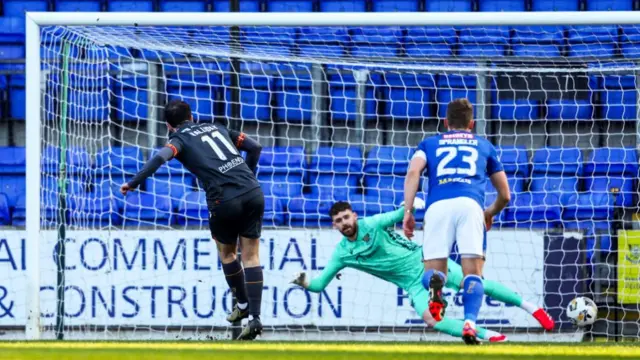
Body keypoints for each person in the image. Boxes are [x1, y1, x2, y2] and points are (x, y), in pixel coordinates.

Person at [291, 202, 554, 343]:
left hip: (427, 263)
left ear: (355, 216)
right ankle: (488, 335)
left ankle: (533, 308)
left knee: (472, 282)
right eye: (338, 221)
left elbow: (398, 213)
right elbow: (319, 285)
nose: (344, 223)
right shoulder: (341, 254)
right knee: (431, 320)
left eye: (346, 217)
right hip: (411, 283)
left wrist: (412, 205)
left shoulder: (372, 223)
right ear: (334, 226)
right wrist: (304, 282)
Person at [121, 100, 265, 340]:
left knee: (228, 253)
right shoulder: (216, 127)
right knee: (251, 256)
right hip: (253, 192)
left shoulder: (179, 139)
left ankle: (242, 304)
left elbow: (159, 158)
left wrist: (133, 182)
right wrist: (248, 176)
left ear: (168, 125)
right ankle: (255, 318)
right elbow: (255, 147)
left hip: (223, 199)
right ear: (192, 115)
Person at [403, 98, 511, 344]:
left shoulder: (429, 144)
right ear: (471, 123)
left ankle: (436, 289)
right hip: (470, 205)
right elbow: (505, 195)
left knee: (432, 271)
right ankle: (470, 323)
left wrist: (408, 212)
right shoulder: (484, 146)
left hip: (437, 206)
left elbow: (413, 172)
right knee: (473, 274)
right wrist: (489, 213)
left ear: (445, 122)